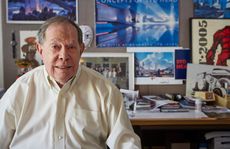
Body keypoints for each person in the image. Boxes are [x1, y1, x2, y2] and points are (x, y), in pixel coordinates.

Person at [0, 16, 141, 149]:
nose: (63, 56)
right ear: (40, 50)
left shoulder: (105, 90)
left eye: (71, 47)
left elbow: (126, 143)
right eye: (55, 47)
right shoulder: (20, 90)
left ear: (81, 50)